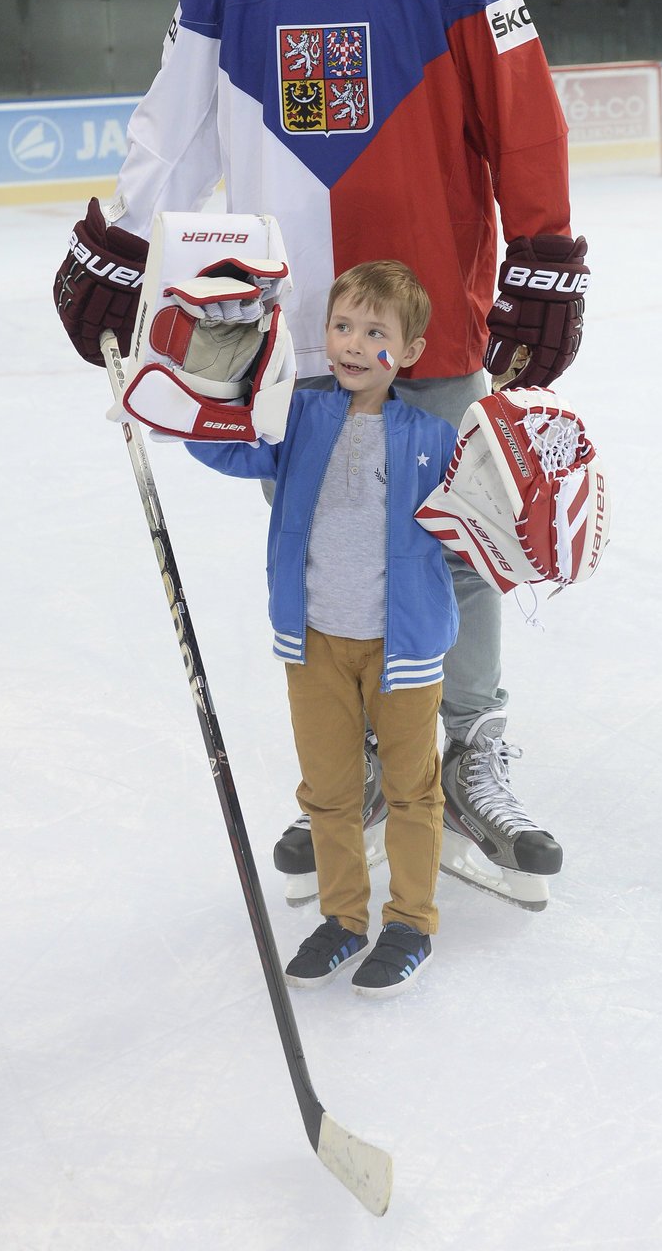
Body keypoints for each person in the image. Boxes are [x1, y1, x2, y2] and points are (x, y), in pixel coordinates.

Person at [53, 0, 590, 910]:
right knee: (317, 554)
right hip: (288, 332)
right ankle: (346, 763)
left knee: (456, 548)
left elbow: (524, 115)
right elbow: (176, 122)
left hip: (431, 321)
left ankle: (470, 747)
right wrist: (122, 242)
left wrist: (544, 251)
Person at [186, 260, 459, 994]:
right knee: (330, 792)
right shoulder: (299, 416)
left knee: (409, 791)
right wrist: (201, 373)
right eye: (341, 325)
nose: (350, 341)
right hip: (313, 642)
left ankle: (411, 921)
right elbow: (224, 447)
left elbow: (481, 526)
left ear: (406, 354)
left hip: (404, 648)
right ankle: (343, 919)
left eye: (375, 332)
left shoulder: (432, 436)